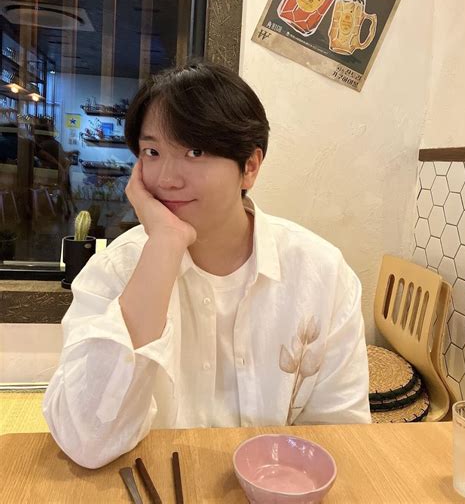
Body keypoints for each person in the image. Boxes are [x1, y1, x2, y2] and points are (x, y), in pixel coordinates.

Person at [43, 61, 370, 469]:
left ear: (250, 166)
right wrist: (165, 244)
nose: (167, 178)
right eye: (152, 152)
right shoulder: (116, 269)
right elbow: (85, 441)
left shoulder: (321, 273)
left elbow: (343, 436)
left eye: (195, 152)